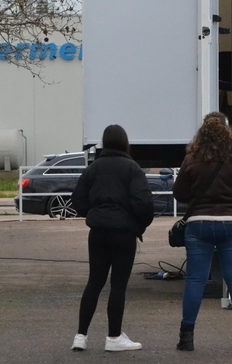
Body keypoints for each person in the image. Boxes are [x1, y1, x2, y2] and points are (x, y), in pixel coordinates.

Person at [172, 112, 232, 351]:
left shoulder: (191, 159)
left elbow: (179, 193)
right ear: (228, 133)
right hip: (231, 223)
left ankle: (187, 337)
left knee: (196, 280)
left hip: (198, 223)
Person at [70, 124, 154, 352]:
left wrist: (94, 213)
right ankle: (114, 337)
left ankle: (80, 335)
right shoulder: (132, 168)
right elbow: (144, 203)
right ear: (124, 141)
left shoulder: (93, 168)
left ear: (104, 142)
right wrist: (138, 224)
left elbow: (77, 200)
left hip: (97, 232)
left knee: (94, 282)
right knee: (118, 286)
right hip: (123, 233)